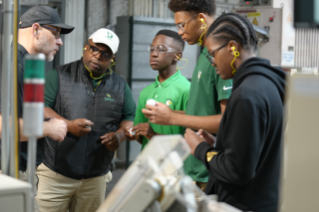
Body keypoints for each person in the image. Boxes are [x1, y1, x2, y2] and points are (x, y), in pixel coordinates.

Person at [184, 13, 286, 212]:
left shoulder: (246, 95)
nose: (212, 61)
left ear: (232, 47)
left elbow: (238, 170)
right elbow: (252, 149)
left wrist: (200, 149)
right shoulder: (266, 84)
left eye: (213, 53)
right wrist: (219, 143)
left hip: (243, 204)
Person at [37, 28, 136, 212]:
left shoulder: (120, 85)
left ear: (112, 58)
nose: (98, 56)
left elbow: (129, 117)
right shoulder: (59, 75)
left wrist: (119, 136)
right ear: (85, 48)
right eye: (94, 49)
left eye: (105, 54)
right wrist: (68, 125)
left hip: (95, 178)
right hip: (56, 175)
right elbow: (41, 107)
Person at [142, 0, 233, 191]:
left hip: (211, 174)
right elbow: (203, 113)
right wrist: (171, 114)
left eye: (182, 25)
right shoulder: (204, 55)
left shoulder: (220, 57)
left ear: (200, 19)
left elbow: (228, 120)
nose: (180, 32)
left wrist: (173, 117)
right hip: (195, 170)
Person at [0, 5, 73, 211]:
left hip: (20, 170)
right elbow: (2, 126)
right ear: (35, 29)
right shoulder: (11, 65)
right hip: (9, 171)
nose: (60, 41)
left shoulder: (25, 64)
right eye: (56, 32)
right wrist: (49, 128)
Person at [125, 30, 190, 149]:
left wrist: (154, 135)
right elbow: (141, 137)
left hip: (176, 165)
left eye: (161, 49)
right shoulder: (146, 92)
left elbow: (191, 142)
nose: (154, 54)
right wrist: (131, 133)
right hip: (149, 164)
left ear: (177, 56)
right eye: (152, 49)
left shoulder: (187, 89)